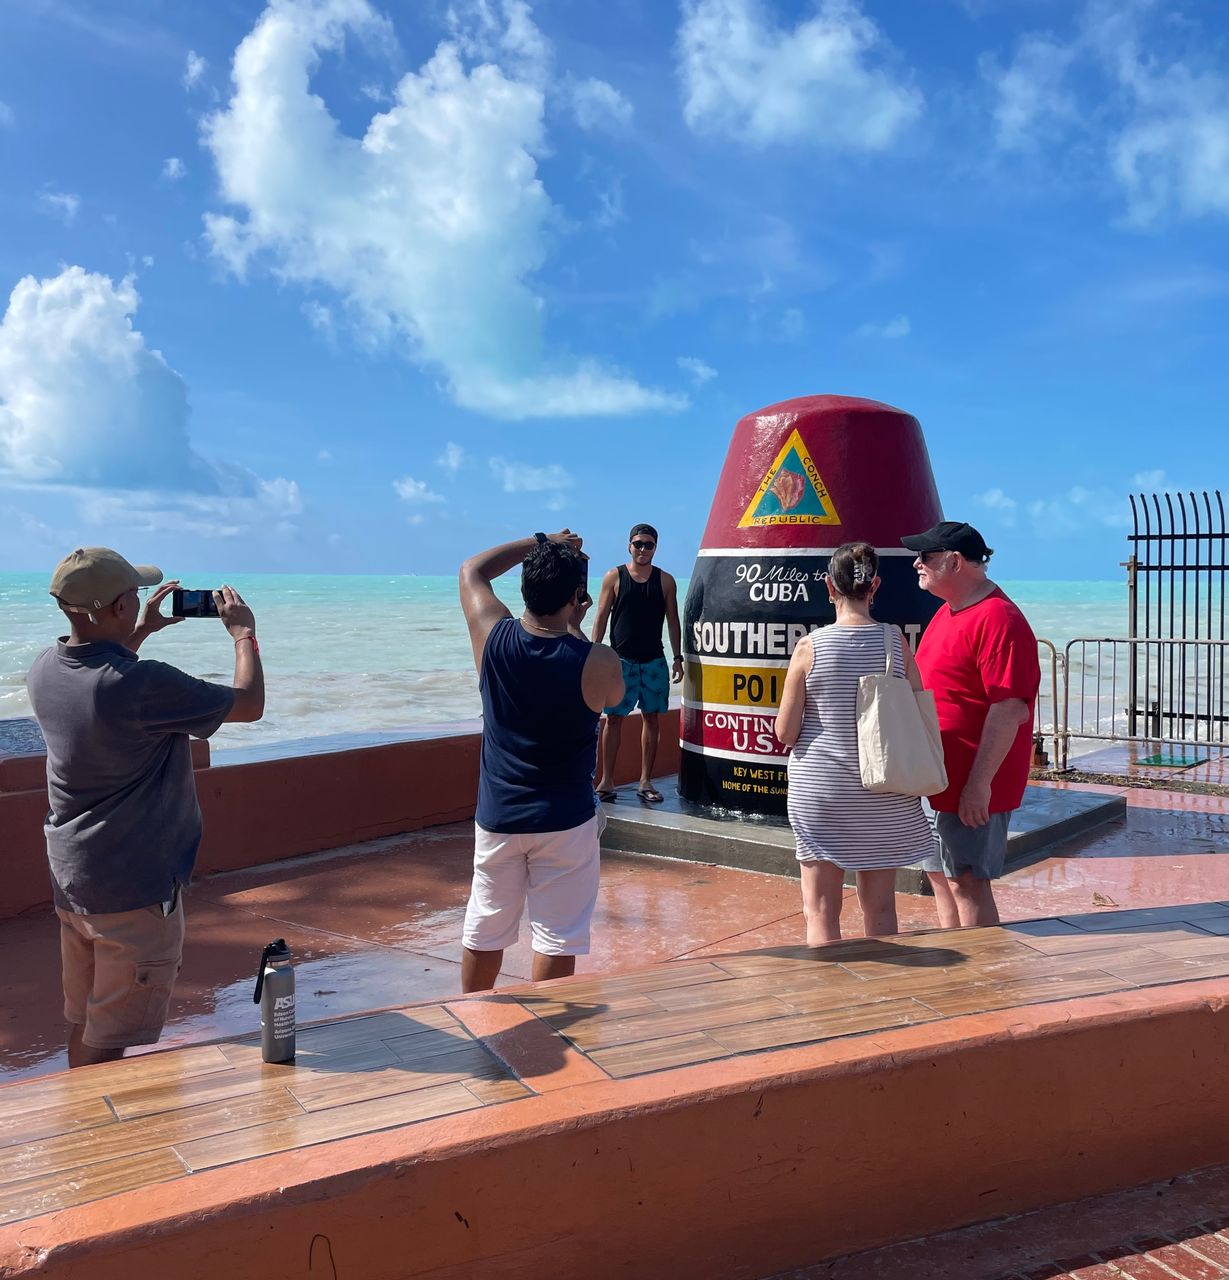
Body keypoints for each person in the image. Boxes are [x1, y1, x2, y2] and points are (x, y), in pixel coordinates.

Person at [26, 547, 264, 1068]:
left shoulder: (45, 668)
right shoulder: (143, 683)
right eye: (133, 596)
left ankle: (82, 1120)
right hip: (133, 889)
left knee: (88, 1021)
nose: (139, 601)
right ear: (113, 608)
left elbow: (103, 680)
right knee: (111, 1038)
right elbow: (248, 704)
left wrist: (141, 631)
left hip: (75, 879)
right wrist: (243, 633)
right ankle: (95, 1138)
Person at [458, 530, 624, 993]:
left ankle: (476, 1019)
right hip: (565, 821)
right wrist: (574, 626)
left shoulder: (493, 637)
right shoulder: (597, 660)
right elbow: (614, 698)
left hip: (499, 816)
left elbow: (472, 569)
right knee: (557, 938)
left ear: (524, 586)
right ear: (577, 597)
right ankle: (544, 1031)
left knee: (484, 928)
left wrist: (542, 541)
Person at [776, 542, 937, 944]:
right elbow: (918, 708)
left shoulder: (809, 648)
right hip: (883, 794)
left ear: (829, 587)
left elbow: (785, 732)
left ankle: (826, 996)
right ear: (875, 585)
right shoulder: (895, 642)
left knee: (821, 909)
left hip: (823, 792)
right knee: (881, 907)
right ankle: (881, 990)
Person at [902, 521, 1040, 928]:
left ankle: (985, 976)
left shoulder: (1000, 619)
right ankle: (957, 964)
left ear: (955, 562)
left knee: (967, 880)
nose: (916, 564)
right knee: (940, 877)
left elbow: (1010, 708)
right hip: (937, 776)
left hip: (971, 782)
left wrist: (979, 785)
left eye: (925, 557)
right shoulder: (948, 612)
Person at [590, 523, 683, 804]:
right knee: (614, 719)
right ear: (629, 546)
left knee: (652, 719)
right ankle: (606, 781)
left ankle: (645, 781)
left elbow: (673, 621)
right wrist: (595, 655)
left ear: (656, 547)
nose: (643, 549)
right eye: (638, 544)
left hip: (654, 660)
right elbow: (601, 616)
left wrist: (677, 658)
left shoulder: (666, 581)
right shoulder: (613, 576)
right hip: (620, 660)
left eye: (648, 545)